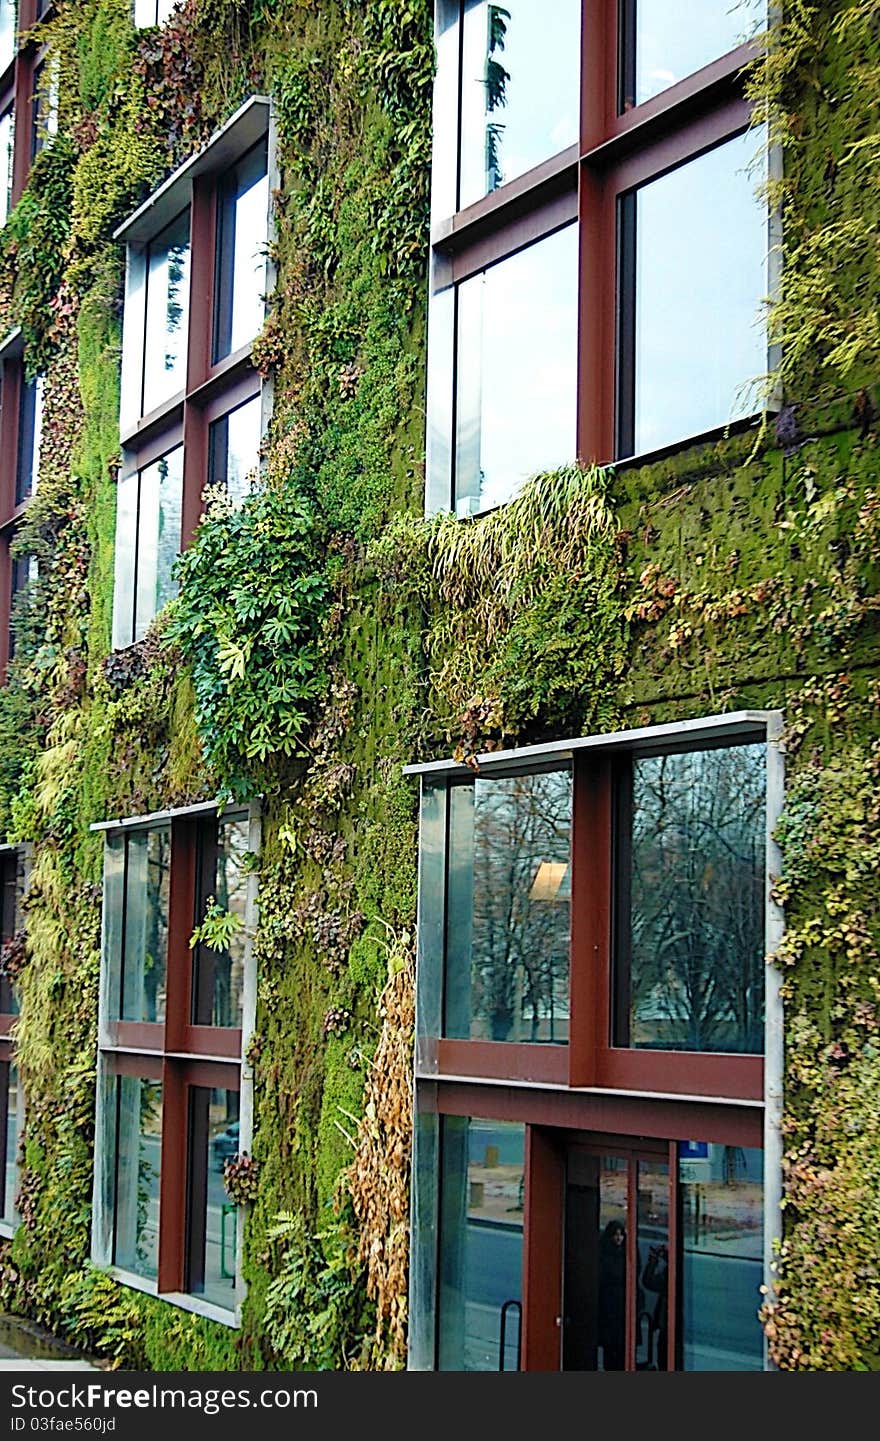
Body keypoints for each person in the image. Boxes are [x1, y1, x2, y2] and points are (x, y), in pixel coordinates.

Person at [597, 1219, 626, 1370]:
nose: (619, 1238)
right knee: (610, 1345)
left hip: (622, 1305)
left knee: (622, 1344)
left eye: (621, 1235)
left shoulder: (627, 1252)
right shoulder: (604, 1253)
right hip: (609, 1305)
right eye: (616, 1235)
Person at [640, 1242, 669, 1369]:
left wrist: (653, 1259)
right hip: (669, 1324)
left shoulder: (670, 1274)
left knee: (664, 1357)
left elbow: (648, 1281)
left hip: (667, 1324)